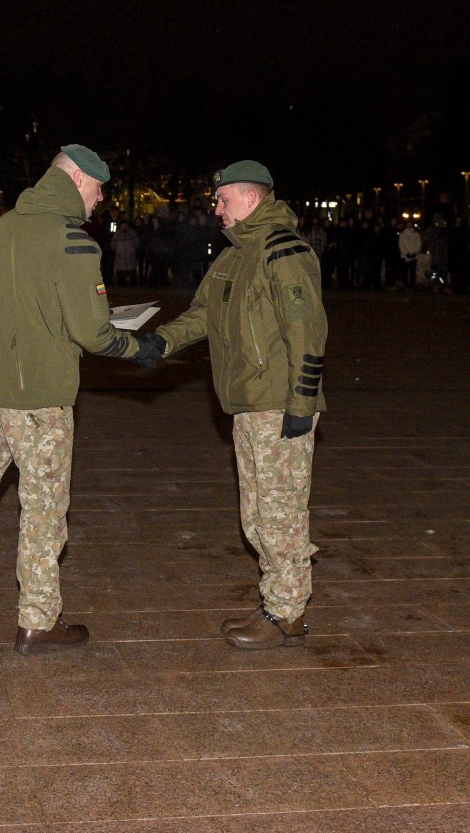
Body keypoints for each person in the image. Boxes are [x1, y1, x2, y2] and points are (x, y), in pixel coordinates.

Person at [0, 145, 143, 654]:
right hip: (39, 397)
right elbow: (93, 332)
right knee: (43, 508)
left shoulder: (1, 230)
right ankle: (38, 621)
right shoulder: (73, 242)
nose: (100, 199)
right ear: (77, 180)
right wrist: (136, 347)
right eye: (98, 188)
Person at [139, 161, 326, 649]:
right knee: (257, 515)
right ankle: (277, 600)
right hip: (246, 402)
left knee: (280, 514)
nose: (217, 209)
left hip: (277, 403)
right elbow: (203, 313)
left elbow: (307, 332)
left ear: (251, 198)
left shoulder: (283, 251)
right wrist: (161, 341)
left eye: (223, 200)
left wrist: (301, 404)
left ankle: (286, 613)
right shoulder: (234, 255)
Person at [397, 220, 422, 290]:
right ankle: (405, 284)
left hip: (414, 255)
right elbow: (401, 245)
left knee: (412, 272)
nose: (409, 226)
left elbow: (419, 244)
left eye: (410, 224)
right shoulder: (402, 234)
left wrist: (414, 252)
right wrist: (406, 253)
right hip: (405, 256)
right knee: (404, 271)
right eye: (408, 224)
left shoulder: (416, 234)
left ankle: (412, 285)